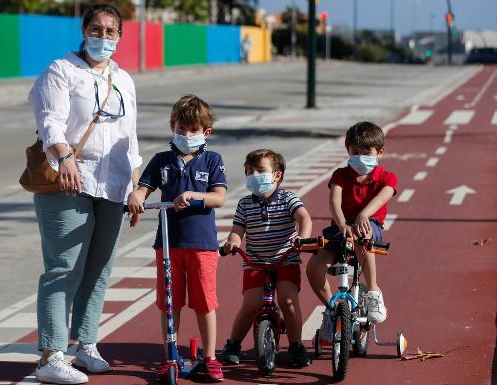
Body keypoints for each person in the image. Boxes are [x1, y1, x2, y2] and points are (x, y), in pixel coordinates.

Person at [28, 4, 142, 384]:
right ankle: (50, 355)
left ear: (120, 36)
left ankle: (86, 344)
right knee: (63, 269)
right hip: (68, 182)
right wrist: (65, 160)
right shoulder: (60, 72)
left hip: (112, 186)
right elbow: (50, 123)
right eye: (97, 29)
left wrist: (136, 186)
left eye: (111, 31)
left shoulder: (123, 79)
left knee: (98, 270)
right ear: (84, 29)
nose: (104, 37)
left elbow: (131, 138)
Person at [127, 95, 227, 382]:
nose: (186, 135)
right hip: (169, 244)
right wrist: (136, 197)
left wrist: (195, 195)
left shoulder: (212, 160)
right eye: (180, 129)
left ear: (205, 133)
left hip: (201, 244)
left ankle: (209, 357)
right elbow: (143, 190)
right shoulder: (161, 160)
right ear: (173, 128)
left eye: (192, 130)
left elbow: (219, 197)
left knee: (204, 302)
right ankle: (170, 355)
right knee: (169, 302)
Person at [220, 149, 313, 367]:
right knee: (250, 305)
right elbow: (237, 230)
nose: (254, 175)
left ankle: (296, 345)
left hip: (285, 259)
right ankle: (233, 344)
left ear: (277, 175)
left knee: (288, 302)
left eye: (260, 171)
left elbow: (304, 219)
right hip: (255, 262)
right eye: (249, 172)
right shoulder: (244, 204)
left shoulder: (288, 198)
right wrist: (233, 242)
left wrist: (302, 239)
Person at [306, 121, 398, 342]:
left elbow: (382, 197)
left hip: (369, 226)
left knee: (362, 236)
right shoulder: (340, 175)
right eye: (355, 152)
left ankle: (373, 291)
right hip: (340, 229)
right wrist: (342, 225)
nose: (359, 157)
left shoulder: (387, 177)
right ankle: (331, 311)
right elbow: (334, 202)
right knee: (314, 267)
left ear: (380, 152)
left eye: (366, 152)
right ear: (347, 150)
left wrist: (363, 215)